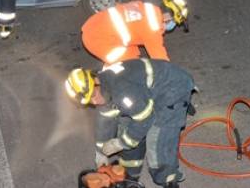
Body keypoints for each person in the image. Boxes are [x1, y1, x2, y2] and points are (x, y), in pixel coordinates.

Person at [65, 59, 194, 187]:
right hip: (145, 94)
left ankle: (168, 179)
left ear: (95, 82)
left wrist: (121, 143)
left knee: (157, 141)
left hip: (172, 90)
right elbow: (104, 120)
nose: (94, 102)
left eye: (93, 94)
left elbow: (144, 120)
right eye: (89, 101)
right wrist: (100, 151)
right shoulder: (105, 84)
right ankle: (130, 176)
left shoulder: (121, 90)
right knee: (126, 128)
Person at [81, 0, 188, 66]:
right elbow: (161, 61)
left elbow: (135, 27)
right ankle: (111, 80)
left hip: (94, 24)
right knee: (131, 67)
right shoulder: (152, 28)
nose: (173, 25)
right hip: (98, 40)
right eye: (175, 22)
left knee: (133, 52)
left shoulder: (148, 8)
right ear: (168, 18)